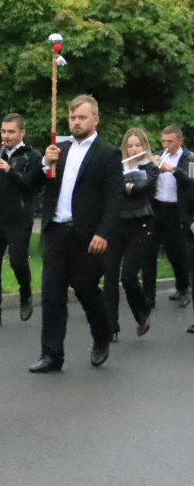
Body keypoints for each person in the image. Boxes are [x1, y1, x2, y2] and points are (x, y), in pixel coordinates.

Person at [26, 95, 120, 373]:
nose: (76, 122)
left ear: (95, 119)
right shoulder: (59, 150)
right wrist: (44, 163)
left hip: (87, 236)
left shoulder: (107, 153)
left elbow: (114, 198)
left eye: (81, 117)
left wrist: (103, 232)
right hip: (56, 232)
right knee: (52, 295)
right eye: (72, 117)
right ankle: (52, 354)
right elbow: (31, 184)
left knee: (87, 291)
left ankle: (102, 334)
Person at [0, 114, 42, 325]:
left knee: (17, 259)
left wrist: (10, 171)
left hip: (19, 217)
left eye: (11, 132)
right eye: (4, 131)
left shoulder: (33, 156)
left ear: (22, 132)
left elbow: (32, 185)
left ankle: (25, 293)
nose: (7, 136)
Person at [105, 128, 156, 341]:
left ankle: (142, 313)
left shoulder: (151, 167)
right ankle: (110, 326)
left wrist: (127, 186)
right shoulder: (117, 166)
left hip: (140, 224)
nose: (134, 149)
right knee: (109, 275)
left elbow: (143, 187)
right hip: (117, 224)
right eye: (130, 145)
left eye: (138, 145)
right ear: (124, 147)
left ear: (144, 147)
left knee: (128, 277)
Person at [147, 125, 194, 308]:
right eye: (163, 141)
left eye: (170, 141)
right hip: (157, 207)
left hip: (177, 210)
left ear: (180, 141)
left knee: (177, 252)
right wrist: (153, 167)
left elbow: (191, 182)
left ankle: (183, 289)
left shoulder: (189, 159)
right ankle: (148, 295)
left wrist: (173, 170)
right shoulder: (159, 155)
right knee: (149, 251)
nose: (166, 145)